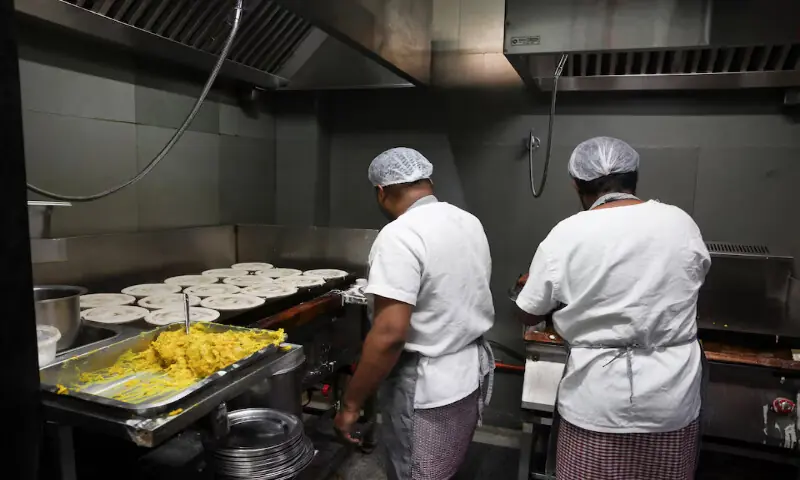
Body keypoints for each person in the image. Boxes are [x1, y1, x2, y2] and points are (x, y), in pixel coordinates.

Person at [515, 137, 711, 480]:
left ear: (577, 184)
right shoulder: (681, 223)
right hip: (671, 400)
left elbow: (530, 312)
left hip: (596, 401)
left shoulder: (567, 233)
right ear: (634, 176)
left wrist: (530, 286)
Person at [334, 147, 496, 480]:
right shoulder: (468, 221)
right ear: (428, 180)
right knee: (442, 469)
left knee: (415, 473)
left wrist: (350, 405)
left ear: (381, 193)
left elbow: (391, 334)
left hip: (426, 389)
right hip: (468, 375)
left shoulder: (399, 235)